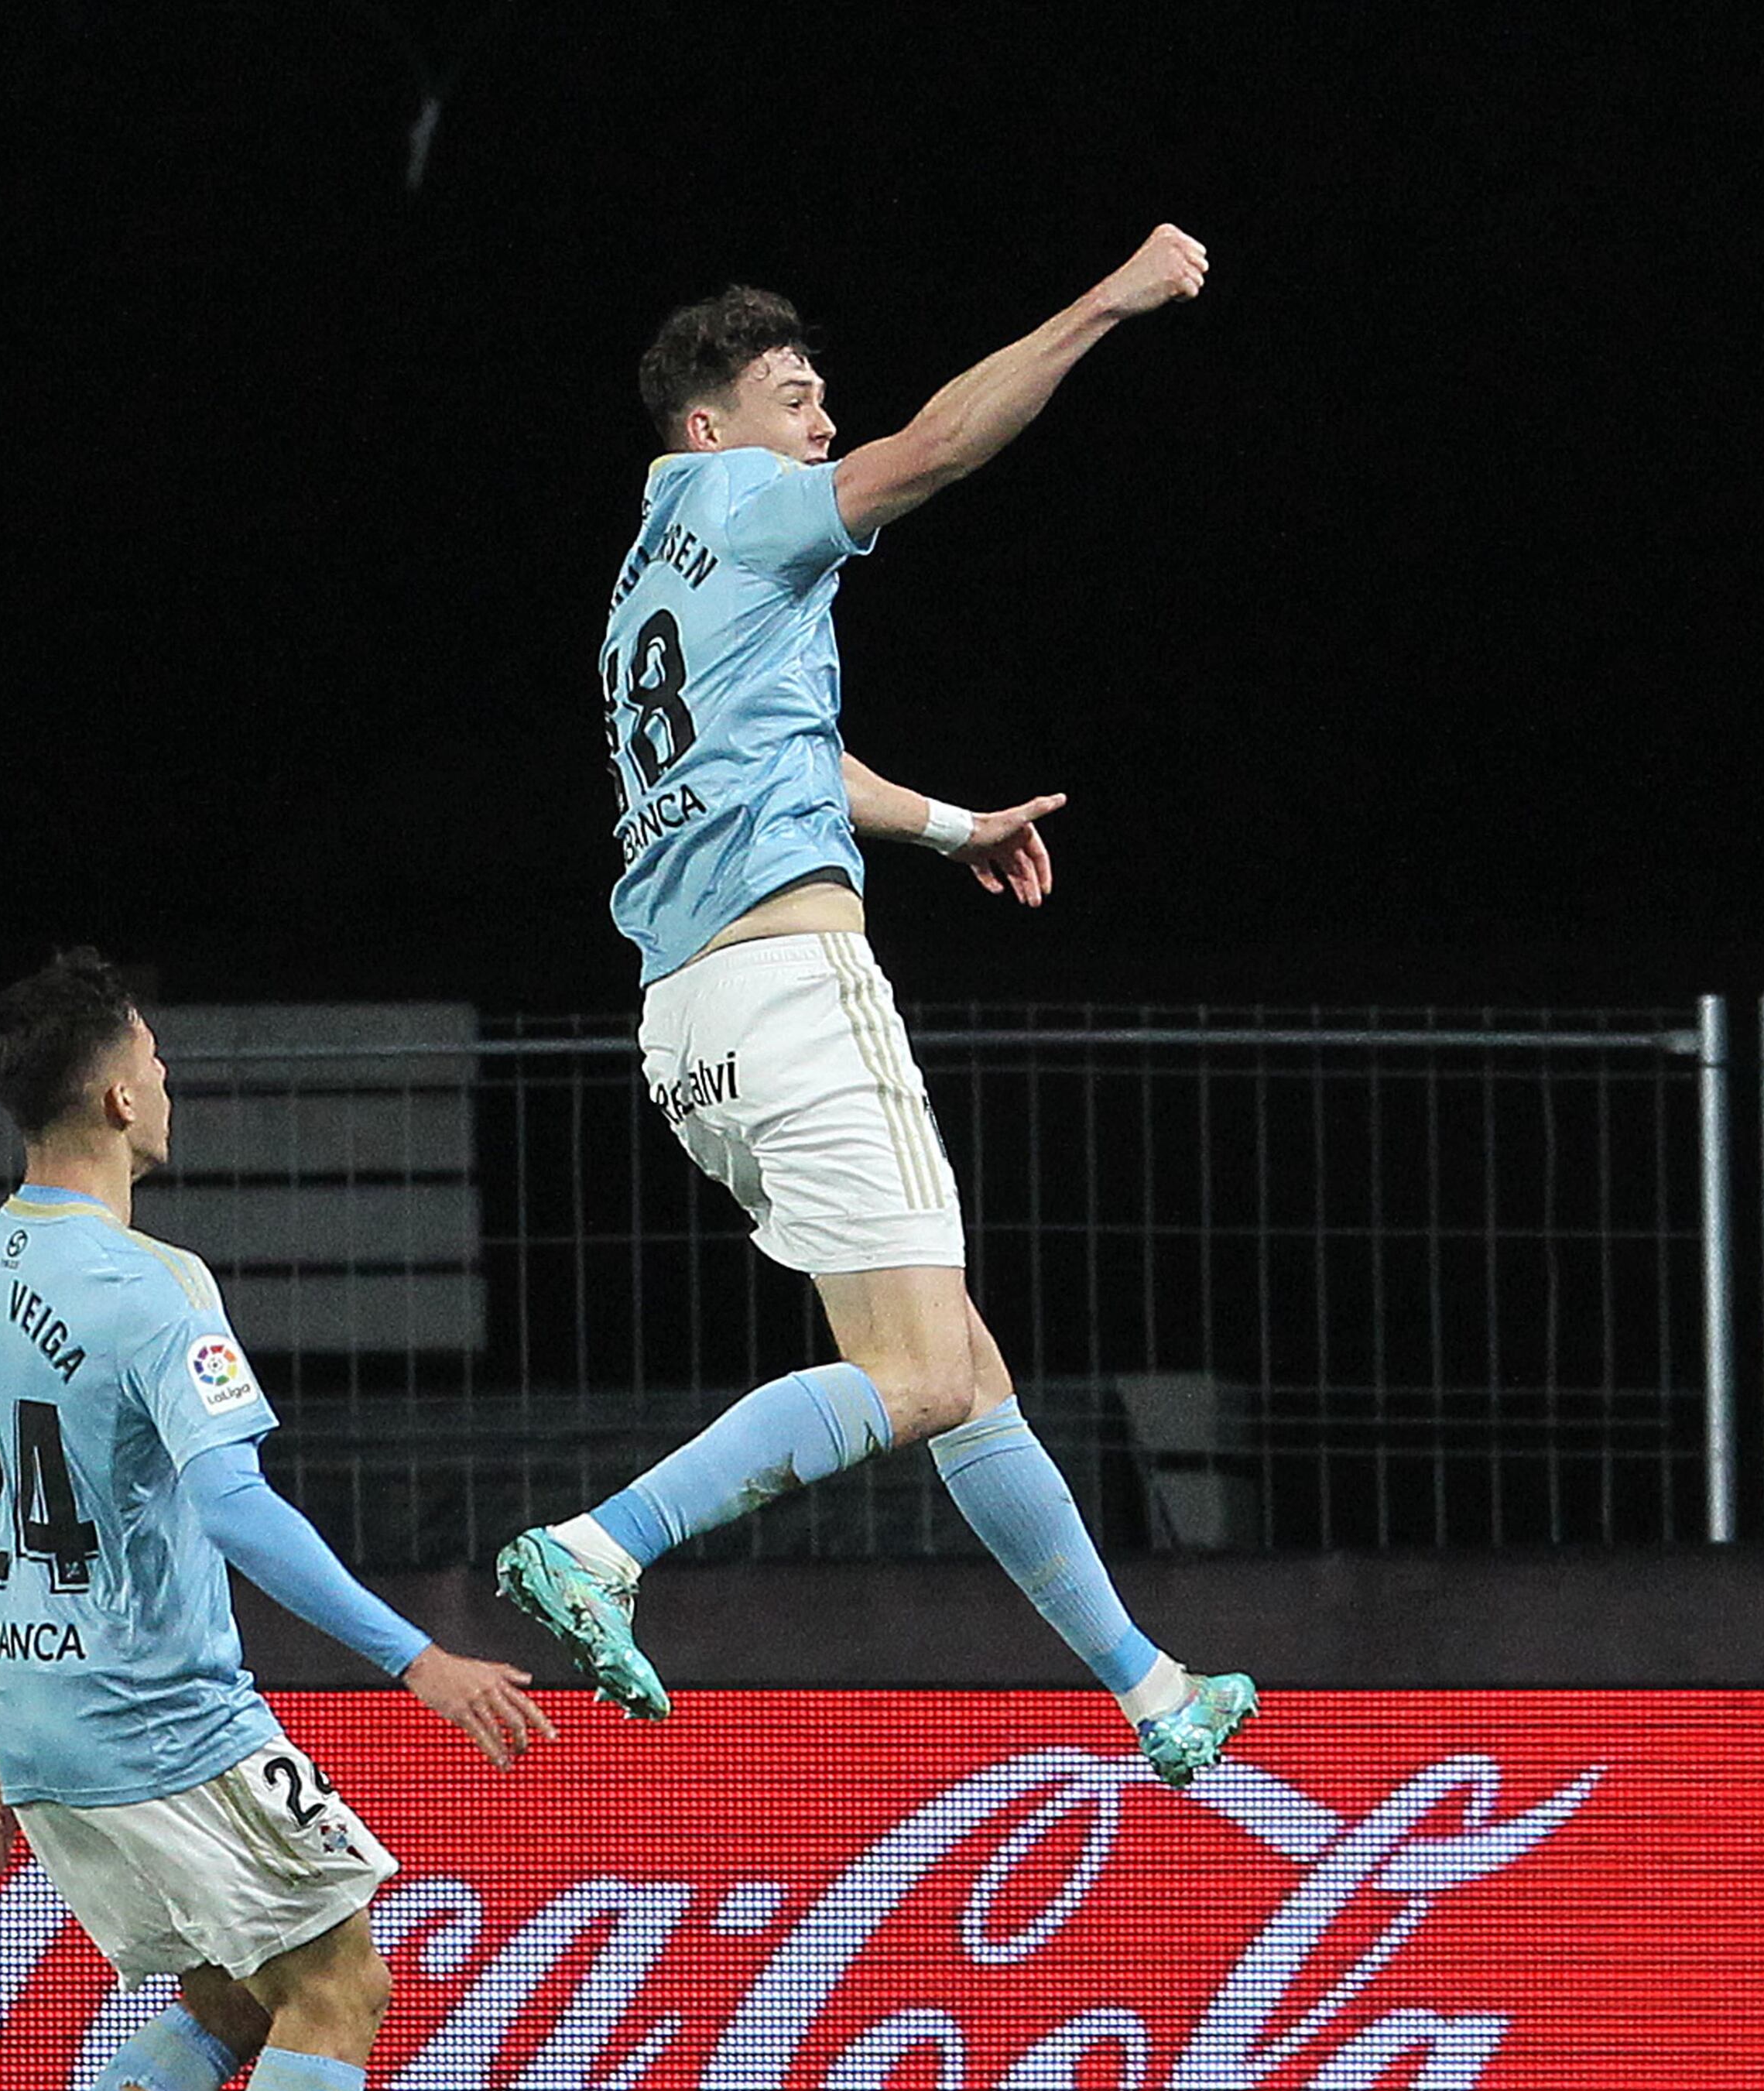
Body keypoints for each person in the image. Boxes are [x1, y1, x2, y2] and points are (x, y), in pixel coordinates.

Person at [495, 225, 1258, 1791]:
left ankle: (1152, 1686)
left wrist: (948, 826)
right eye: (792, 399)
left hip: (690, 1023)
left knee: (958, 1369)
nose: (822, 425)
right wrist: (1102, 300)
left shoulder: (656, 577)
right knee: (915, 1375)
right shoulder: (744, 501)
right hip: (790, 994)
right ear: (707, 428)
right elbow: (937, 449)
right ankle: (601, 1542)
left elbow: (789, 762)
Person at [0, 948, 553, 2091]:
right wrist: (418, 1657)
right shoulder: (153, 1286)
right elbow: (241, 1507)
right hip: (166, 1712)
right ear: (122, 1093)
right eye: (160, 1059)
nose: (170, 1081)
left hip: (49, 1722)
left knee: (230, 1995)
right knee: (342, 1982)